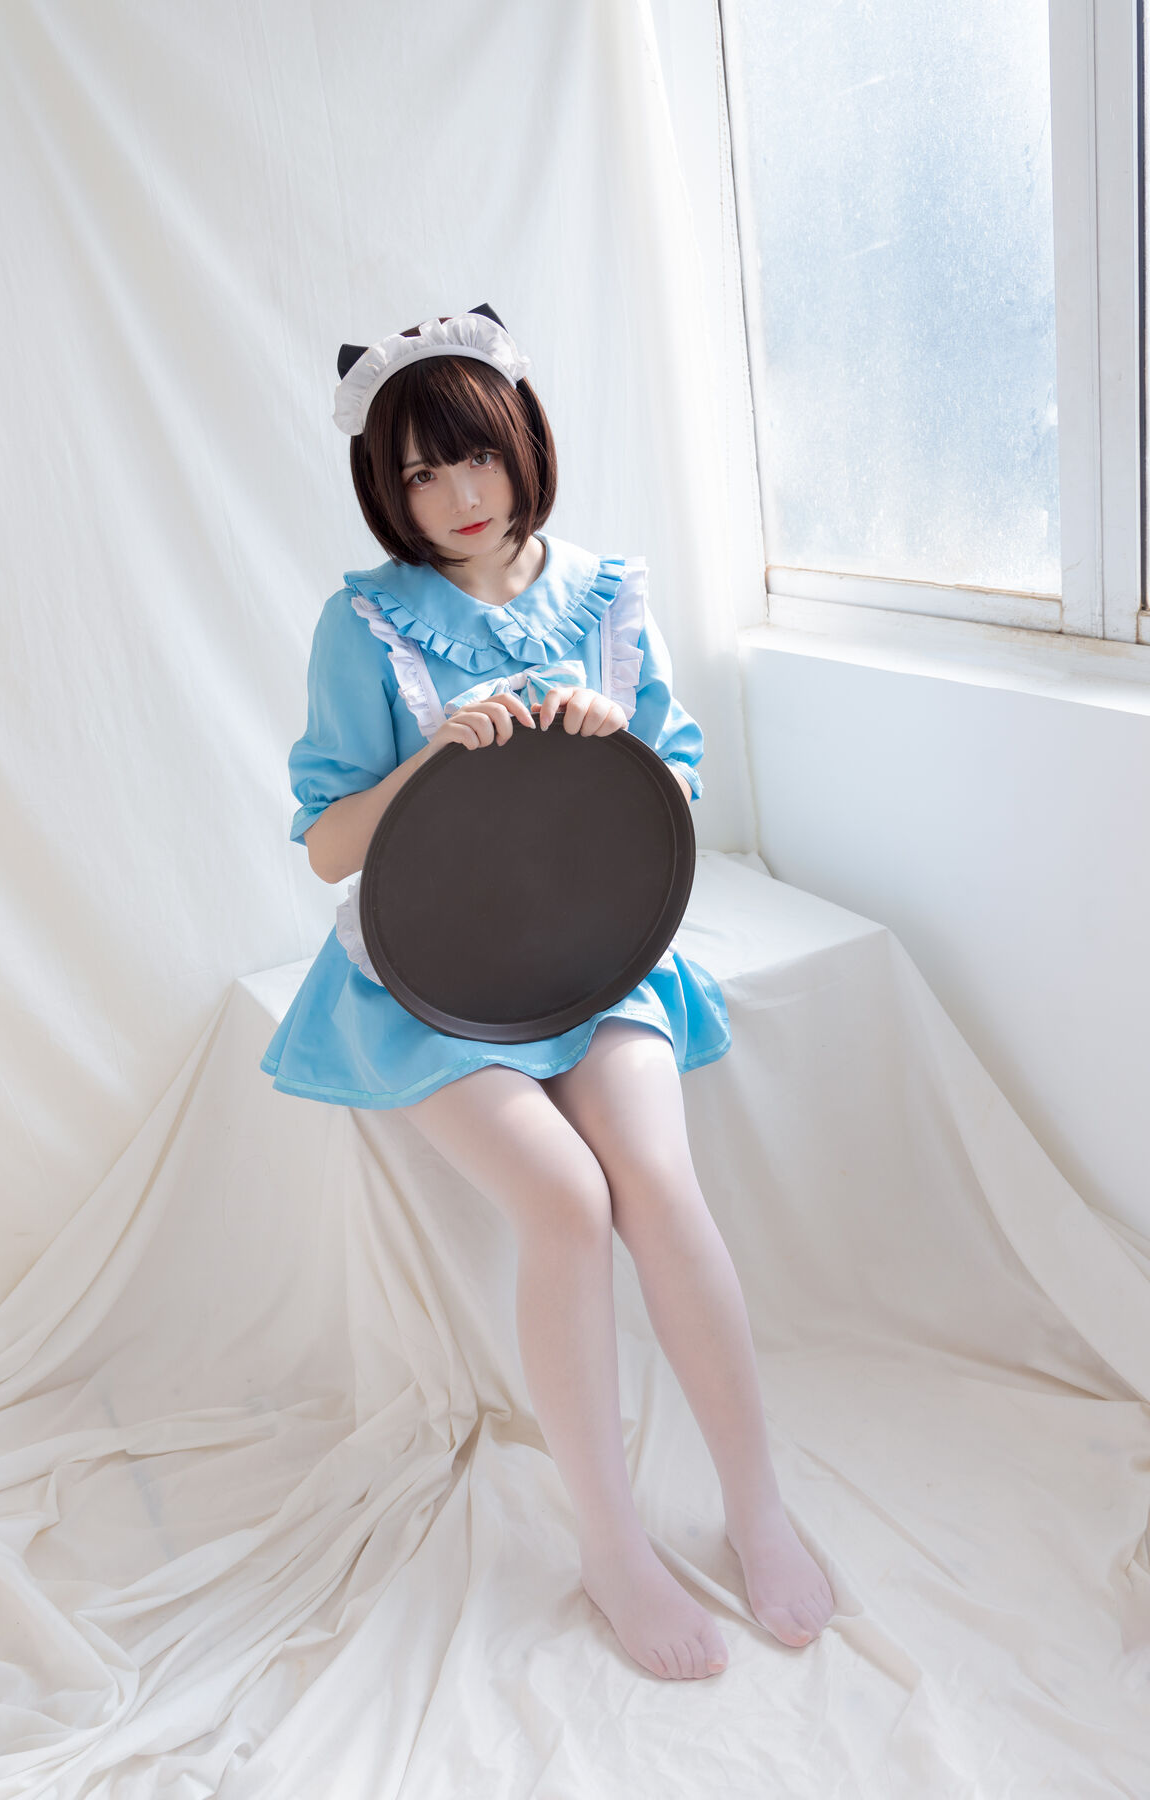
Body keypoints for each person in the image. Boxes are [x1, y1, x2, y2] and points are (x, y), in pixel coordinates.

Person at [261, 305, 835, 1680]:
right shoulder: (363, 623)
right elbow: (328, 846)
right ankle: (610, 1544)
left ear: (524, 443)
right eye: (418, 474)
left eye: (475, 457)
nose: (457, 498)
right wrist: (430, 760)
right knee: (566, 1202)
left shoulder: (609, 594)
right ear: (386, 490)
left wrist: (613, 742)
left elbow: (677, 791)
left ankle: (756, 1505)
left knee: (655, 1177)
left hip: (592, 951)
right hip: (429, 977)